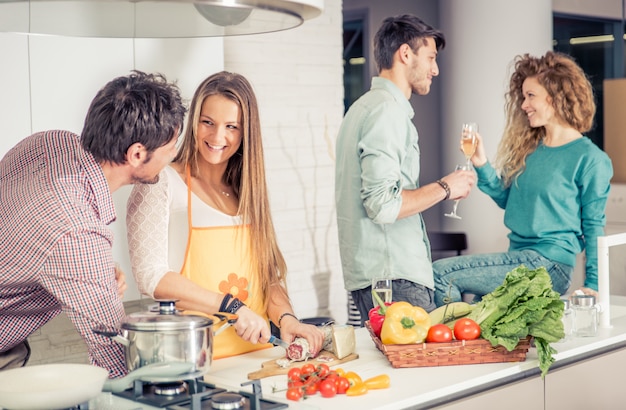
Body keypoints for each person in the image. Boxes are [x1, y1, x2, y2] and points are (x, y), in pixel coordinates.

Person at [0, 71, 186, 377]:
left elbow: (32, 233)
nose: (174, 156)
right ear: (137, 154)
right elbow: (112, 351)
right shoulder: (76, 233)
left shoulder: (50, 141)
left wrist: (90, 266)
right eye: (170, 149)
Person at [126, 71, 324, 359]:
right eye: (208, 122)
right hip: (196, 359)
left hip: (257, 355)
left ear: (246, 132)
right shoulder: (162, 183)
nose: (218, 136)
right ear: (193, 121)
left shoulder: (248, 191)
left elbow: (267, 277)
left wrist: (287, 319)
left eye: (232, 126)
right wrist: (232, 306)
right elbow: (152, 278)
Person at [433, 51, 613, 306]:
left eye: (531, 96)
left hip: (549, 265)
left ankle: (448, 347)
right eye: (523, 96)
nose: (523, 104)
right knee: (474, 304)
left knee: (442, 274)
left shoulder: (590, 159)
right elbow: (508, 198)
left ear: (556, 97)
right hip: (518, 257)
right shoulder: (531, 149)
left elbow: (594, 226)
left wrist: (592, 285)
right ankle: (461, 344)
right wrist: (481, 164)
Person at [334, 14, 476, 324]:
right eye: (431, 58)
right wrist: (446, 187)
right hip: (394, 279)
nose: (435, 69)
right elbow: (382, 205)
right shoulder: (386, 112)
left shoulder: (362, 108)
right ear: (406, 53)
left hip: (380, 277)